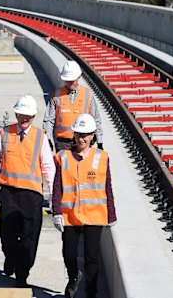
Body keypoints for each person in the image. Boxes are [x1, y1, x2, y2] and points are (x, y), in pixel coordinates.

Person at [0, 94, 55, 288]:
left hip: (32, 196)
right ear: (16, 114)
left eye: (29, 116)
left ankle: (22, 274)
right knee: (6, 234)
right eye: (21, 115)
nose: (24, 119)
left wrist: (51, 193)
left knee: (29, 238)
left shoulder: (40, 137)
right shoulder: (5, 133)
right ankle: (10, 257)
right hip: (9, 193)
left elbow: (48, 165)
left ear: (33, 117)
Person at [51, 113, 116, 298]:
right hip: (70, 215)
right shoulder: (63, 157)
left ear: (93, 135)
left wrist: (111, 214)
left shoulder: (101, 158)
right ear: (74, 134)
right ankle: (73, 277)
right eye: (79, 134)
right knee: (69, 254)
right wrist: (56, 212)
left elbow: (107, 187)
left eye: (86, 134)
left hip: (95, 215)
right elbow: (57, 187)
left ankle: (91, 292)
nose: (82, 138)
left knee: (91, 257)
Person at [43, 60, 103, 152]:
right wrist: (47, 139)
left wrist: (99, 141)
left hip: (82, 140)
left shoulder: (87, 94)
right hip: (62, 142)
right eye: (67, 80)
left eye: (72, 80)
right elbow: (48, 120)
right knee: (65, 166)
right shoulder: (56, 95)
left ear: (79, 77)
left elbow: (96, 119)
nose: (69, 83)